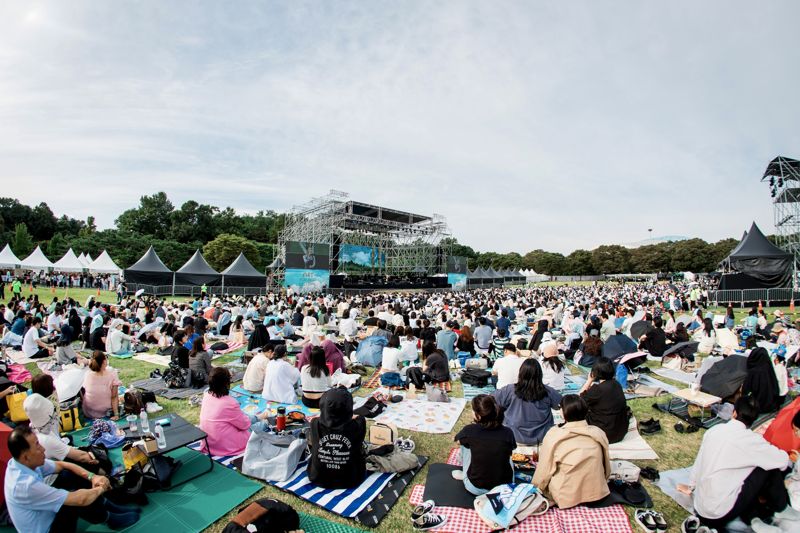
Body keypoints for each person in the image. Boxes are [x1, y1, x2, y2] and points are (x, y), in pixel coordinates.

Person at [683, 396, 798, 532]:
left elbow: (699, 461)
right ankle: (781, 508)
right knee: (768, 467)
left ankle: (754, 519)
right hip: (720, 513)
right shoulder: (753, 441)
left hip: (700, 507)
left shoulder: (714, 430)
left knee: (758, 466)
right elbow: (783, 460)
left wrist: (690, 486)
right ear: (755, 418)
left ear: (734, 413)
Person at [4, 425, 140, 533]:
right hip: (47, 529)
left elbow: (62, 465)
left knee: (67, 474)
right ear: (26, 456)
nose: (43, 448)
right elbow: (80, 500)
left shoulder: (21, 462)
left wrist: (93, 477)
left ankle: (108, 506)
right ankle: (109, 518)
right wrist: (101, 487)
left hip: (47, 515)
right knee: (72, 502)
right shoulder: (25, 486)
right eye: (37, 445)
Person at [532, 395, 611, 508]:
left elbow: (544, 470)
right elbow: (606, 466)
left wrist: (536, 488)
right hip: (597, 491)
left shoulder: (554, 435)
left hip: (566, 495)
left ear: (563, 413)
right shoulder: (598, 433)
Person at [453, 395, 516, 495]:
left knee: (465, 444)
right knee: (507, 456)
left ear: (478, 415)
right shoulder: (508, 432)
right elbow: (511, 449)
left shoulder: (469, 430)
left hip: (475, 487)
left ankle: (465, 474)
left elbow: (457, 441)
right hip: (504, 487)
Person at [24, 386, 99, 468]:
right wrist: (93, 457)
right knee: (97, 464)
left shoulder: (33, 427)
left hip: (53, 456)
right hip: (55, 473)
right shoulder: (47, 440)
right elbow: (82, 457)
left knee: (68, 437)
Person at [493, 358, 562, 445]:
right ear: (540, 374)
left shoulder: (509, 390)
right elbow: (562, 405)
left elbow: (490, 401)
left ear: (521, 373)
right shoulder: (548, 392)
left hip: (514, 435)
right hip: (542, 437)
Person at [308, 387, 367, 489]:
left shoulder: (315, 424)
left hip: (318, 477)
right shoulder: (358, 425)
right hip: (351, 479)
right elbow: (358, 417)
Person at [199, 368, 252, 456]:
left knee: (249, 418)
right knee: (257, 426)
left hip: (209, 442)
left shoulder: (207, 395)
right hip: (226, 446)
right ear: (227, 383)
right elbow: (245, 425)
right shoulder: (229, 403)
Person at [579, 358, 629, 444]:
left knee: (577, 412)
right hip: (620, 431)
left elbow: (578, 400)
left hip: (604, 433)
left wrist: (589, 380)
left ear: (594, 372)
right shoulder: (617, 384)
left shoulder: (598, 389)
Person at [81, 352, 121, 420]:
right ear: (104, 361)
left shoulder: (87, 374)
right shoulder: (112, 374)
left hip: (88, 412)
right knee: (117, 395)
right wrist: (116, 415)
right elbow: (114, 397)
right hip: (106, 412)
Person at [742, 347, 781, 414]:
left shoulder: (754, 371)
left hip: (758, 406)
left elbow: (747, 390)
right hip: (771, 404)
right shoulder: (768, 368)